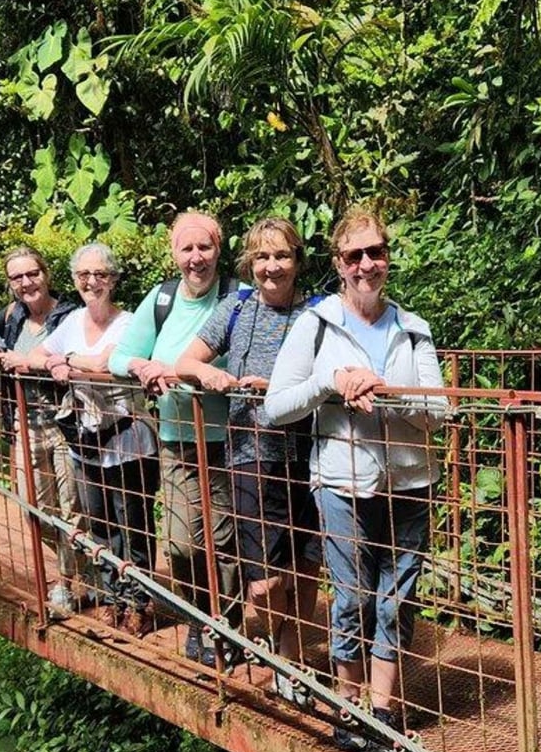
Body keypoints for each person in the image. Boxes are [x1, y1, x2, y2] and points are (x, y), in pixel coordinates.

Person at [264, 207, 448, 752]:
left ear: (386, 256)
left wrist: (386, 391)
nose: (367, 264)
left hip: (411, 482)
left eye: (375, 252)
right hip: (341, 483)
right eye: (354, 255)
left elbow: (439, 412)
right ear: (338, 264)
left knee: (396, 599)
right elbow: (276, 406)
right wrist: (332, 381)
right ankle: (348, 705)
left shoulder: (413, 328)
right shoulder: (316, 323)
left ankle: (384, 710)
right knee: (352, 596)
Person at [175, 217, 321, 706]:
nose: (271, 267)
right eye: (261, 257)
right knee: (262, 581)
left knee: (304, 566)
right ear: (249, 264)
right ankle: (284, 651)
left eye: (281, 256)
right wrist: (211, 377)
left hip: (310, 455)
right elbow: (186, 362)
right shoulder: (235, 308)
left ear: (297, 261)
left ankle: (292, 659)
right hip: (250, 454)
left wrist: (282, 390)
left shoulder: (320, 313)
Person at [109, 211, 244, 665]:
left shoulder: (237, 297)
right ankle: (197, 615)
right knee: (182, 541)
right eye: (186, 249)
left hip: (229, 439)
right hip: (177, 439)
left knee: (223, 541)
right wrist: (141, 366)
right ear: (174, 253)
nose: (196, 258)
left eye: (204, 247)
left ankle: (224, 628)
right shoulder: (162, 298)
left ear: (218, 250)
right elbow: (122, 355)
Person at [25, 243, 159, 635]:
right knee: (100, 524)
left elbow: (106, 365)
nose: (91, 281)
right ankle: (110, 596)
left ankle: (139, 601)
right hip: (86, 441)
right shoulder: (71, 321)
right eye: (84, 275)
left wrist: (65, 362)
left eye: (100, 274)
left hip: (129, 440)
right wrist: (54, 360)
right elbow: (37, 356)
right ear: (74, 280)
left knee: (133, 525)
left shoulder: (131, 322)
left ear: (114, 279)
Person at [0, 246, 85, 618]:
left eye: (32, 274)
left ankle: (66, 583)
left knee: (72, 508)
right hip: (24, 426)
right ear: (10, 284)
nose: (26, 283)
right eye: (17, 277)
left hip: (66, 425)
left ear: (45, 274)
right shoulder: (10, 317)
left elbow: (80, 357)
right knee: (33, 509)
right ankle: (85, 567)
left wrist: (37, 362)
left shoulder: (70, 315)